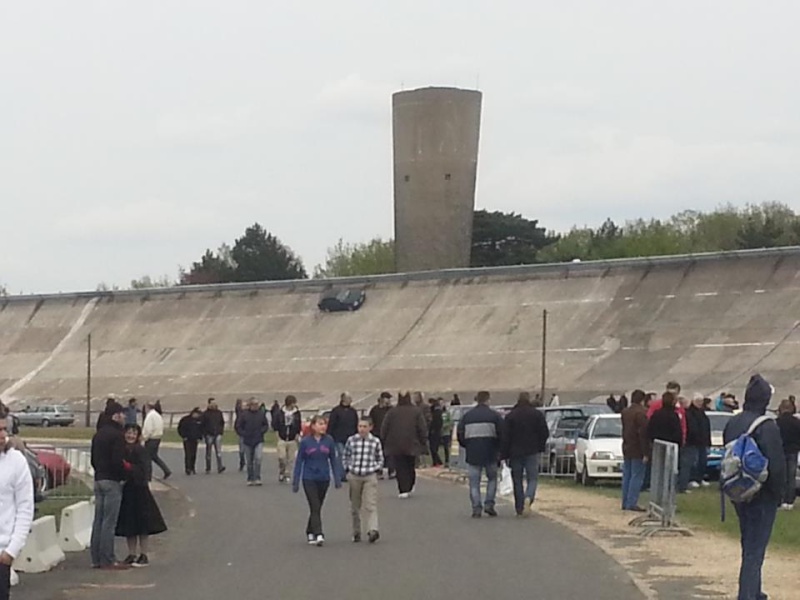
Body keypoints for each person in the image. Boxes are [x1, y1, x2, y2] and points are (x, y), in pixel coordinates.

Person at [723, 374, 785, 600]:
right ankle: (748, 595)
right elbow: (776, 464)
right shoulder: (766, 425)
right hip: (762, 493)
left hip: (739, 489)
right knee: (755, 551)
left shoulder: (734, 422)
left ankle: (754, 592)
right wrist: (779, 494)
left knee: (748, 543)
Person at [116, 425, 167, 567]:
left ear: (138, 435)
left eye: (133, 433)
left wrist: (130, 468)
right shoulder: (121, 450)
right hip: (126, 491)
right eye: (128, 433)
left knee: (143, 524)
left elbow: (144, 470)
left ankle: (144, 554)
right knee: (129, 525)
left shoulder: (141, 450)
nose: (130, 436)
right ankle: (131, 553)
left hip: (140, 490)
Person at [90, 402, 130, 570]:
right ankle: (108, 558)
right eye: (122, 414)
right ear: (116, 416)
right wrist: (123, 476)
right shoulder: (117, 435)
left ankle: (96, 558)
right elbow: (117, 461)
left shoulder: (98, 434)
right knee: (109, 522)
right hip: (112, 480)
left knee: (98, 520)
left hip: (99, 478)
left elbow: (93, 459)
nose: (125, 417)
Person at [292, 416, 342, 546]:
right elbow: (299, 462)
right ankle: (319, 533)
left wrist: (337, 478)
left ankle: (310, 530)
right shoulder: (305, 442)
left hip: (324, 478)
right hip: (309, 478)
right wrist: (295, 481)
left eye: (324, 424)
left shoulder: (329, 441)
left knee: (317, 507)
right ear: (313, 426)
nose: (323, 426)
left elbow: (333, 460)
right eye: (320, 424)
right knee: (314, 505)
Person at [0, 415, 34, 600]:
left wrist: (11, 551)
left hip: (2, 555)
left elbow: (25, 508)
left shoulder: (16, 461)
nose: (3, 435)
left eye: (4, 429)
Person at [501, 391, 549, 517]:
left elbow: (505, 437)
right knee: (532, 478)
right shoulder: (537, 414)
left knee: (517, 479)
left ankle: (519, 506)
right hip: (532, 450)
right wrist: (540, 445)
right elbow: (544, 432)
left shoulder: (511, 416)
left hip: (515, 452)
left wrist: (504, 454)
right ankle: (529, 497)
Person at [458, 391, 504, 518]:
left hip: (473, 453)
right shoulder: (495, 416)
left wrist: (468, 445)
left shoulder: (467, 417)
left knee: (474, 482)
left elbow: (460, 436)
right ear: (488, 400)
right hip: (491, 453)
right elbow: (502, 435)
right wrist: (499, 449)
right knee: (492, 479)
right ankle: (489, 504)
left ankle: (476, 507)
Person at [343, 418, 383, 544]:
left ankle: (373, 530)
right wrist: (347, 468)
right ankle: (356, 531)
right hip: (354, 476)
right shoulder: (352, 440)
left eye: (365, 426)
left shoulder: (375, 441)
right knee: (355, 506)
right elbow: (346, 455)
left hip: (369, 476)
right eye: (360, 426)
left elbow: (380, 458)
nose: (362, 429)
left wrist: (376, 468)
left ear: (370, 427)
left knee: (370, 504)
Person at [381, 391, 427, 498]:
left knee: (400, 467)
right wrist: (423, 440)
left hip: (395, 444)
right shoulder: (416, 411)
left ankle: (403, 489)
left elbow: (384, 428)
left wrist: (384, 440)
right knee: (410, 465)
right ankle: (410, 485)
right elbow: (422, 428)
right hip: (412, 443)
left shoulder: (392, 412)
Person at [620, 389, 649, 512]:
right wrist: (646, 452)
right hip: (638, 448)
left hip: (627, 446)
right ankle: (632, 502)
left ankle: (625, 501)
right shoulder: (641, 413)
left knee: (627, 475)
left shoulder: (625, 412)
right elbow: (643, 434)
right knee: (637, 476)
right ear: (642, 400)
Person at [235, 399, 270, 486]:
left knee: (258, 458)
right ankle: (250, 478)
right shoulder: (244, 415)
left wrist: (262, 431)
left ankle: (257, 477)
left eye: (257, 404)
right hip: (247, 440)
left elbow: (265, 425)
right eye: (254, 404)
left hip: (258, 439)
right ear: (250, 405)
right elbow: (238, 426)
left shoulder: (261, 414)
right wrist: (243, 433)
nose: (256, 406)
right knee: (249, 460)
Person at [328, 393, 359, 481]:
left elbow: (356, 424)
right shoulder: (336, 411)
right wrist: (329, 436)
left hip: (351, 438)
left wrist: (357, 435)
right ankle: (342, 475)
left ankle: (350, 472)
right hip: (338, 437)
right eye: (349, 398)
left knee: (350, 456)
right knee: (341, 455)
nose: (351, 400)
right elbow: (331, 424)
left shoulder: (353, 411)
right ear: (343, 399)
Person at [776, 398, 800, 510]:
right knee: (791, 477)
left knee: (781, 477)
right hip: (793, 451)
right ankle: (789, 501)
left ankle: (780, 500)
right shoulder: (797, 422)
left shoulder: (777, 422)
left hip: (781, 451)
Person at [273, 395, 302, 484]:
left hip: (292, 438)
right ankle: (282, 471)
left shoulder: (296, 413)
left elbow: (298, 424)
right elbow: (275, 424)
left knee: (290, 459)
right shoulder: (280, 412)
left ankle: (287, 474)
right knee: (282, 457)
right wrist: (277, 435)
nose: (294, 405)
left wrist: (297, 434)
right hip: (282, 437)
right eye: (293, 403)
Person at [686, 393, 711, 489]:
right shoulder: (690, 413)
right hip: (694, 442)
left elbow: (706, 426)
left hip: (703, 442)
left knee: (702, 461)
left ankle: (700, 478)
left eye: (701, 401)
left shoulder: (702, 412)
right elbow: (692, 428)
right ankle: (692, 479)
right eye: (698, 401)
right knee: (694, 462)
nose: (700, 403)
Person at [142, 402, 171, 481]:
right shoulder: (158, 415)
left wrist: (144, 437)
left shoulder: (150, 416)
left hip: (151, 439)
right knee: (154, 456)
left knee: (147, 458)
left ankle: (148, 477)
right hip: (157, 438)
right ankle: (166, 470)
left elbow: (148, 429)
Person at [202, 398, 226, 474]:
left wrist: (221, 432)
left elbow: (222, 422)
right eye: (212, 403)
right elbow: (203, 424)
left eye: (215, 403)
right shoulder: (205, 414)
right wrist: (205, 434)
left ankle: (220, 467)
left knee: (218, 452)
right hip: (209, 434)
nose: (214, 405)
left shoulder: (219, 413)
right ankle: (208, 468)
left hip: (217, 434)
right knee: (208, 452)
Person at [177, 408, 204, 475]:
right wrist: (183, 436)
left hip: (195, 440)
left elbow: (201, 429)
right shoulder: (185, 419)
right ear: (194, 413)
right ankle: (188, 468)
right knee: (188, 454)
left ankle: (193, 468)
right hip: (187, 439)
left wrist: (200, 437)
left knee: (194, 454)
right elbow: (180, 428)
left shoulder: (199, 421)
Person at [428, 398, 444, 467]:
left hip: (434, 432)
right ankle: (436, 462)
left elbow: (436, 422)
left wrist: (432, 429)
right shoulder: (437, 411)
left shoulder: (436, 413)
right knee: (433, 448)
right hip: (436, 431)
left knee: (433, 448)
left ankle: (438, 462)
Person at [440, 400, 453, 468]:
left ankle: (447, 461)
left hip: (446, 433)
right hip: (439, 433)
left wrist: (445, 425)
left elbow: (450, 422)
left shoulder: (447, 413)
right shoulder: (438, 413)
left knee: (446, 448)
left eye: (442, 404)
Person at [234, 399, 246, 472]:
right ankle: (242, 462)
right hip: (242, 434)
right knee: (241, 450)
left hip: (249, 434)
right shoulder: (240, 414)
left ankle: (249, 463)